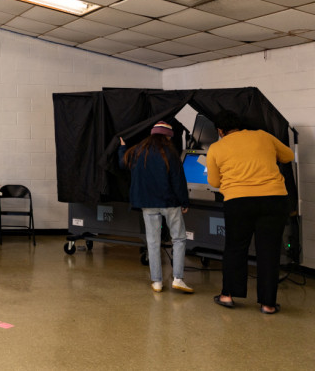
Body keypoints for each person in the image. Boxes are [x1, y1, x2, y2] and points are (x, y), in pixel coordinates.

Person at [207, 110, 294, 314]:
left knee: (235, 248)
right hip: (274, 199)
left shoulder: (217, 147)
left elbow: (214, 182)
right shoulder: (263, 136)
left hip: (238, 202)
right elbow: (288, 156)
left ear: (220, 130)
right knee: (269, 251)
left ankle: (227, 295)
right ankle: (268, 304)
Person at [119, 121, 194, 294]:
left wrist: (122, 148)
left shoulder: (138, 151)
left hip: (147, 204)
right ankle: (178, 279)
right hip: (170, 203)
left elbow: (123, 164)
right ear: (167, 136)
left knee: (153, 242)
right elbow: (178, 180)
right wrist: (184, 201)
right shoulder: (171, 153)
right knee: (179, 239)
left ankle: (157, 282)